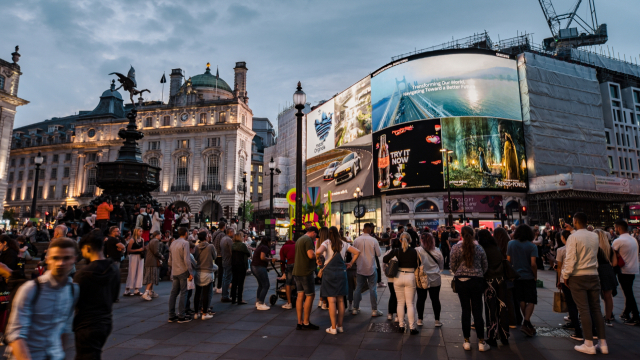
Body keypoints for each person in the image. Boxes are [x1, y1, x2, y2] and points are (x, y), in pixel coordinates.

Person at [4, 237, 79, 360]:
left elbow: (63, 329)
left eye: (66, 258)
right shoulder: (31, 289)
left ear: (74, 259)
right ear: (48, 259)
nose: (61, 263)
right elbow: (16, 335)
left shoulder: (73, 290)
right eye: (56, 258)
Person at [562, 213, 607, 354]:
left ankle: (588, 343)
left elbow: (570, 258)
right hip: (593, 274)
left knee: (583, 309)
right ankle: (603, 343)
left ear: (575, 221)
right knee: (596, 309)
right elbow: (583, 238)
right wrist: (572, 230)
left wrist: (565, 275)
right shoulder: (594, 236)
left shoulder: (572, 237)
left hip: (578, 276)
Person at [74, 229, 120, 359]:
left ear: (88, 248)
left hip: (86, 324)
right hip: (105, 321)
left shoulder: (82, 274)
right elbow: (114, 296)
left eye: (82, 250)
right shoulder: (113, 269)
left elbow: (75, 301)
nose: (82, 254)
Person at [450, 226, 490, 352]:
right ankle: (481, 342)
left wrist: (459, 272)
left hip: (461, 281)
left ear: (461, 234)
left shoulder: (455, 248)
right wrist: (478, 273)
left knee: (465, 310)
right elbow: (485, 265)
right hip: (477, 281)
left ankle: (466, 341)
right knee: (478, 310)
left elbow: (452, 265)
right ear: (473, 235)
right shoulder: (479, 248)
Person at [317, 226, 360, 334]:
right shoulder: (343, 243)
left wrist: (319, 258)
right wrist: (350, 263)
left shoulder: (326, 242)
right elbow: (357, 252)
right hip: (341, 273)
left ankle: (333, 327)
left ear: (329, 234)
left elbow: (318, 251)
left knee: (332, 301)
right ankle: (340, 326)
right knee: (341, 300)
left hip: (329, 274)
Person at [477, 229, 509, 346]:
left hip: (489, 281)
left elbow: (482, 266)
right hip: (500, 280)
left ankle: (492, 336)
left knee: (491, 309)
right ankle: (505, 335)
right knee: (502, 307)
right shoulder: (496, 248)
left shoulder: (482, 250)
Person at [383, 232, 419, 335]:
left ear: (400, 240)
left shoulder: (396, 251)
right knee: (410, 303)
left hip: (398, 277)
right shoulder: (414, 252)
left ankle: (401, 326)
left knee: (400, 302)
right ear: (410, 241)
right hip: (410, 276)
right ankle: (412, 327)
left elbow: (385, 259)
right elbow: (419, 264)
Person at [507, 224, 538, 337]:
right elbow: (533, 264)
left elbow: (508, 261)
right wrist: (535, 276)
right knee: (531, 300)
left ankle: (527, 322)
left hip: (516, 276)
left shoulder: (511, 244)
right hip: (528, 276)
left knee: (521, 299)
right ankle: (526, 322)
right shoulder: (532, 246)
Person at [556, 229, 583, 340]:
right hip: (578, 277)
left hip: (565, 278)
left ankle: (577, 329)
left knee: (571, 305)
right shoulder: (578, 248)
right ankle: (592, 330)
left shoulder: (561, 250)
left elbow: (559, 267)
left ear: (562, 238)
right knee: (582, 305)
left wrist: (559, 280)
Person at [612, 219, 639, 325]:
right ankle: (626, 313)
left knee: (628, 294)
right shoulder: (633, 239)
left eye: (615, 228)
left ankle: (636, 316)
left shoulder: (618, 241)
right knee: (629, 292)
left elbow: (612, 254)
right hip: (633, 269)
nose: (615, 230)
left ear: (618, 228)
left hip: (624, 270)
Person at [352, 223, 383, 317]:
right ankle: (374, 310)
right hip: (371, 268)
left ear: (362, 230)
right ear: (370, 230)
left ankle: (355, 308)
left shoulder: (356, 240)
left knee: (358, 288)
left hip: (360, 267)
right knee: (373, 289)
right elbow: (379, 254)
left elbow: (353, 255)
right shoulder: (373, 240)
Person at [415, 232, 444, 328]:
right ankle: (437, 320)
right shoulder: (437, 251)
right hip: (435, 278)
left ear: (421, 240)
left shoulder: (417, 250)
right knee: (435, 299)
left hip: (421, 279)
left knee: (421, 299)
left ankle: (419, 319)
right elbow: (441, 265)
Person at [293, 227, 319, 330]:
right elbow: (310, 255)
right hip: (306, 271)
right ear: (313, 233)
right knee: (310, 295)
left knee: (300, 295)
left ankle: (299, 322)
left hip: (297, 271)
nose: (315, 238)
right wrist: (318, 256)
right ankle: (306, 322)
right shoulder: (308, 240)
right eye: (315, 235)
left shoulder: (299, 239)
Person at [168, 227, 194, 323]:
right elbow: (187, 259)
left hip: (174, 270)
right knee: (184, 292)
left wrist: (172, 267)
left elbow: (170, 260)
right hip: (183, 270)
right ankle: (181, 315)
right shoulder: (185, 243)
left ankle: (171, 315)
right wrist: (190, 272)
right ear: (186, 233)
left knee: (174, 293)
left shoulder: (173, 243)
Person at [594, 229, 618, 327]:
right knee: (608, 297)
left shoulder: (595, 249)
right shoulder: (610, 248)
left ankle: (596, 318)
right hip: (608, 271)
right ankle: (608, 318)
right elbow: (615, 263)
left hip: (598, 271)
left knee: (594, 297)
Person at [193, 231, 216, 319]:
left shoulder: (196, 247)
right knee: (206, 293)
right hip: (207, 271)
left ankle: (196, 313)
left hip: (198, 271)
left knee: (197, 293)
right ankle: (205, 313)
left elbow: (195, 257)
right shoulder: (210, 246)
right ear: (206, 237)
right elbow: (214, 256)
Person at [251, 236, 273, 310]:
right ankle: (261, 303)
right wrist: (271, 259)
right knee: (266, 285)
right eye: (270, 242)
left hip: (254, 266)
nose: (271, 243)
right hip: (259, 267)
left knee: (261, 285)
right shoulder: (265, 247)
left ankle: (258, 302)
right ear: (268, 242)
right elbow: (262, 257)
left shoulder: (260, 246)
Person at [142, 231, 165, 301]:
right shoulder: (156, 241)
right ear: (157, 235)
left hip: (149, 261)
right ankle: (146, 293)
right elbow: (156, 252)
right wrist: (161, 256)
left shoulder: (151, 241)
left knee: (151, 277)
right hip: (152, 262)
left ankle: (150, 292)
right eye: (160, 234)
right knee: (151, 277)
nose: (161, 236)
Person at [123, 228, 145, 296]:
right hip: (133, 256)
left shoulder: (142, 239)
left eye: (141, 231)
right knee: (132, 272)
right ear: (136, 232)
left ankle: (137, 289)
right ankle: (127, 289)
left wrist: (143, 249)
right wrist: (138, 250)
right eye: (140, 231)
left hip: (140, 257)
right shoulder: (132, 240)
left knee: (139, 272)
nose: (141, 232)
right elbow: (129, 250)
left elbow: (142, 248)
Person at [231, 232, 251, 305]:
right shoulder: (242, 245)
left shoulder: (232, 245)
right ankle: (239, 299)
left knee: (234, 281)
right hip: (241, 264)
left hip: (234, 264)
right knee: (240, 283)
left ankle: (233, 299)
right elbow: (248, 253)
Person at [383, 237, 400, 322]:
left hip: (390, 278)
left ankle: (390, 314)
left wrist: (387, 273)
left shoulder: (388, 252)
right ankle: (398, 315)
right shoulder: (402, 252)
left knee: (392, 295)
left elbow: (384, 264)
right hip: (400, 277)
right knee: (400, 297)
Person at [279, 236, 296, 309]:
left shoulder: (283, 248)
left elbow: (282, 261)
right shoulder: (296, 245)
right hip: (298, 264)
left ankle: (289, 303)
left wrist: (283, 271)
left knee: (288, 283)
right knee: (299, 282)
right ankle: (301, 301)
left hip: (290, 264)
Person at [220, 228, 235, 303]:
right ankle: (225, 295)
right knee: (227, 278)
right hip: (229, 261)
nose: (234, 234)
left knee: (225, 277)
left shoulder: (223, 239)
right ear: (230, 232)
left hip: (224, 260)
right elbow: (232, 251)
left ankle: (224, 294)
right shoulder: (228, 240)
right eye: (233, 232)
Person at [212, 221, 227, 294]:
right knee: (220, 271)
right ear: (224, 226)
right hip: (220, 254)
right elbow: (223, 245)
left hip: (214, 254)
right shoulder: (223, 235)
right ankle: (219, 287)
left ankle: (213, 286)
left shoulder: (215, 233)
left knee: (214, 270)